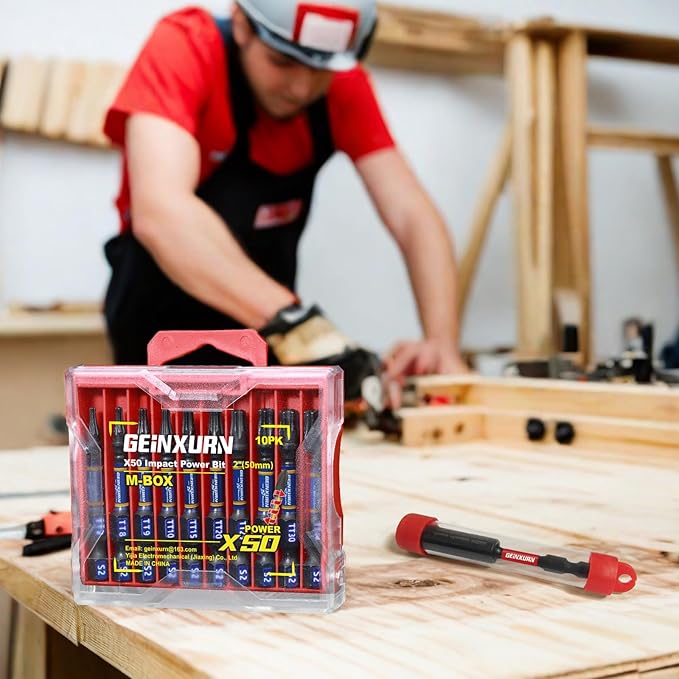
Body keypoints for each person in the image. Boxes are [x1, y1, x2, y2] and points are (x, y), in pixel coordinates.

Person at [102, 0, 468, 399]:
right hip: (158, 328)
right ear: (242, 25)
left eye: (320, 70)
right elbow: (161, 212)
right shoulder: (187, 46)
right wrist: (299, 325)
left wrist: (442, 342)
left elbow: (412, 216)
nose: (302, 88)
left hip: (267, 340)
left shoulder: (343, 84)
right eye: (282, 62)